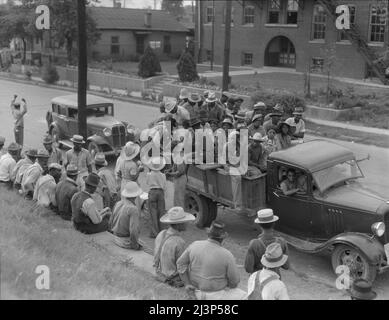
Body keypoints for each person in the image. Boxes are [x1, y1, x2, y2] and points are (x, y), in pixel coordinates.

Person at [177, 221, 247, 300]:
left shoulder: (195, 245)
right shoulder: (227, 254)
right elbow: (234, 282)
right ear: (223, 237)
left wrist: (187, 284)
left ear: (208, 234)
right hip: (217, 295)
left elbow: (180, 264)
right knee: (244, 296)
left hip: (195, 293)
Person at [154, 207, 195, 287]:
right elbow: (182, 266)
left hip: (160, 273)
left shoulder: (162, 233)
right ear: (180, 224)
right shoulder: (179, 241)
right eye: (185, 222)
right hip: (172, 279)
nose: (187, 223)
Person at [244, 209, 289, 274]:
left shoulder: (254, 244)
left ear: (259, 224)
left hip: (258, 280)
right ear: (274, 223)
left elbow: (248, 269)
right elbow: (286, 266)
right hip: (275, 280)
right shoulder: (281, 242)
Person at [109, 181, 143, 250]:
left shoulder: (118, 203)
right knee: (147, 249)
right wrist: (135, 246)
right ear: (136, 195)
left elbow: (110, 222)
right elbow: (133, 232)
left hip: (115, 237)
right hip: (124, 240)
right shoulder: (133, 209)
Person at [146, 157, 167, 238]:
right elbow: (165, 186)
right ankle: (162, 231)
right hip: (160, 192)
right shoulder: (163, 175)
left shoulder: (149, 174)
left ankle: (154, 232)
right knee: (161, 212)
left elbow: (147, 183)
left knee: (153, 213)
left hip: (152, 192)